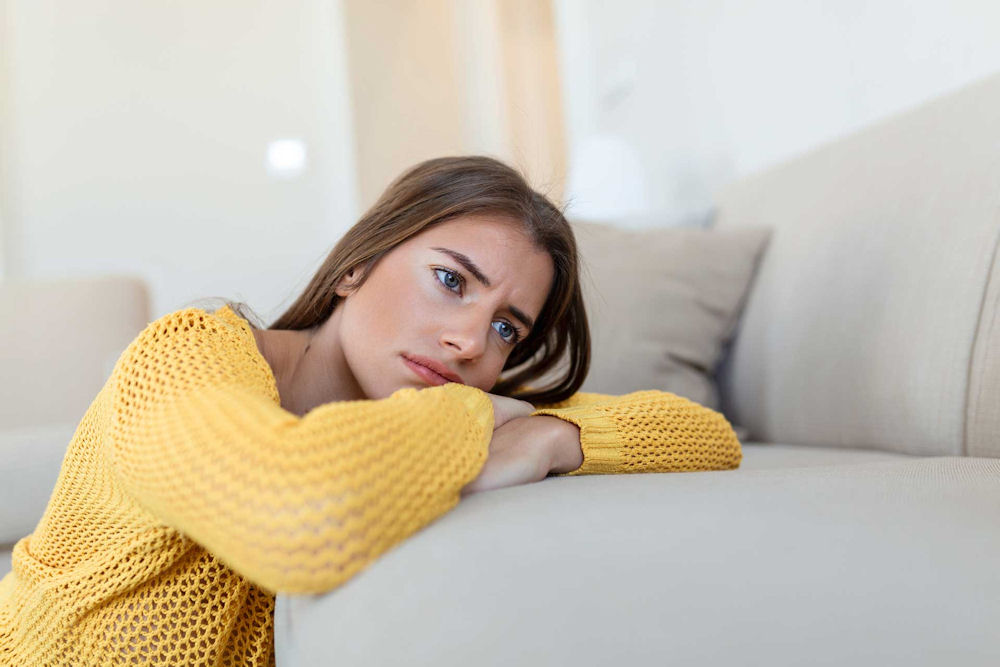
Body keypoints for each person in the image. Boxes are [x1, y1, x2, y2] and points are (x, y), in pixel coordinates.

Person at [0, 155, 742, 665]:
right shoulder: (186, 355)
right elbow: (297, 514)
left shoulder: (411, 404)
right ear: (357, 265)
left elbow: (706, 434)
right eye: (451, 280)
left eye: (507, 327)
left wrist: (552, 435)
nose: (468, 342)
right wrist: (477, 416)